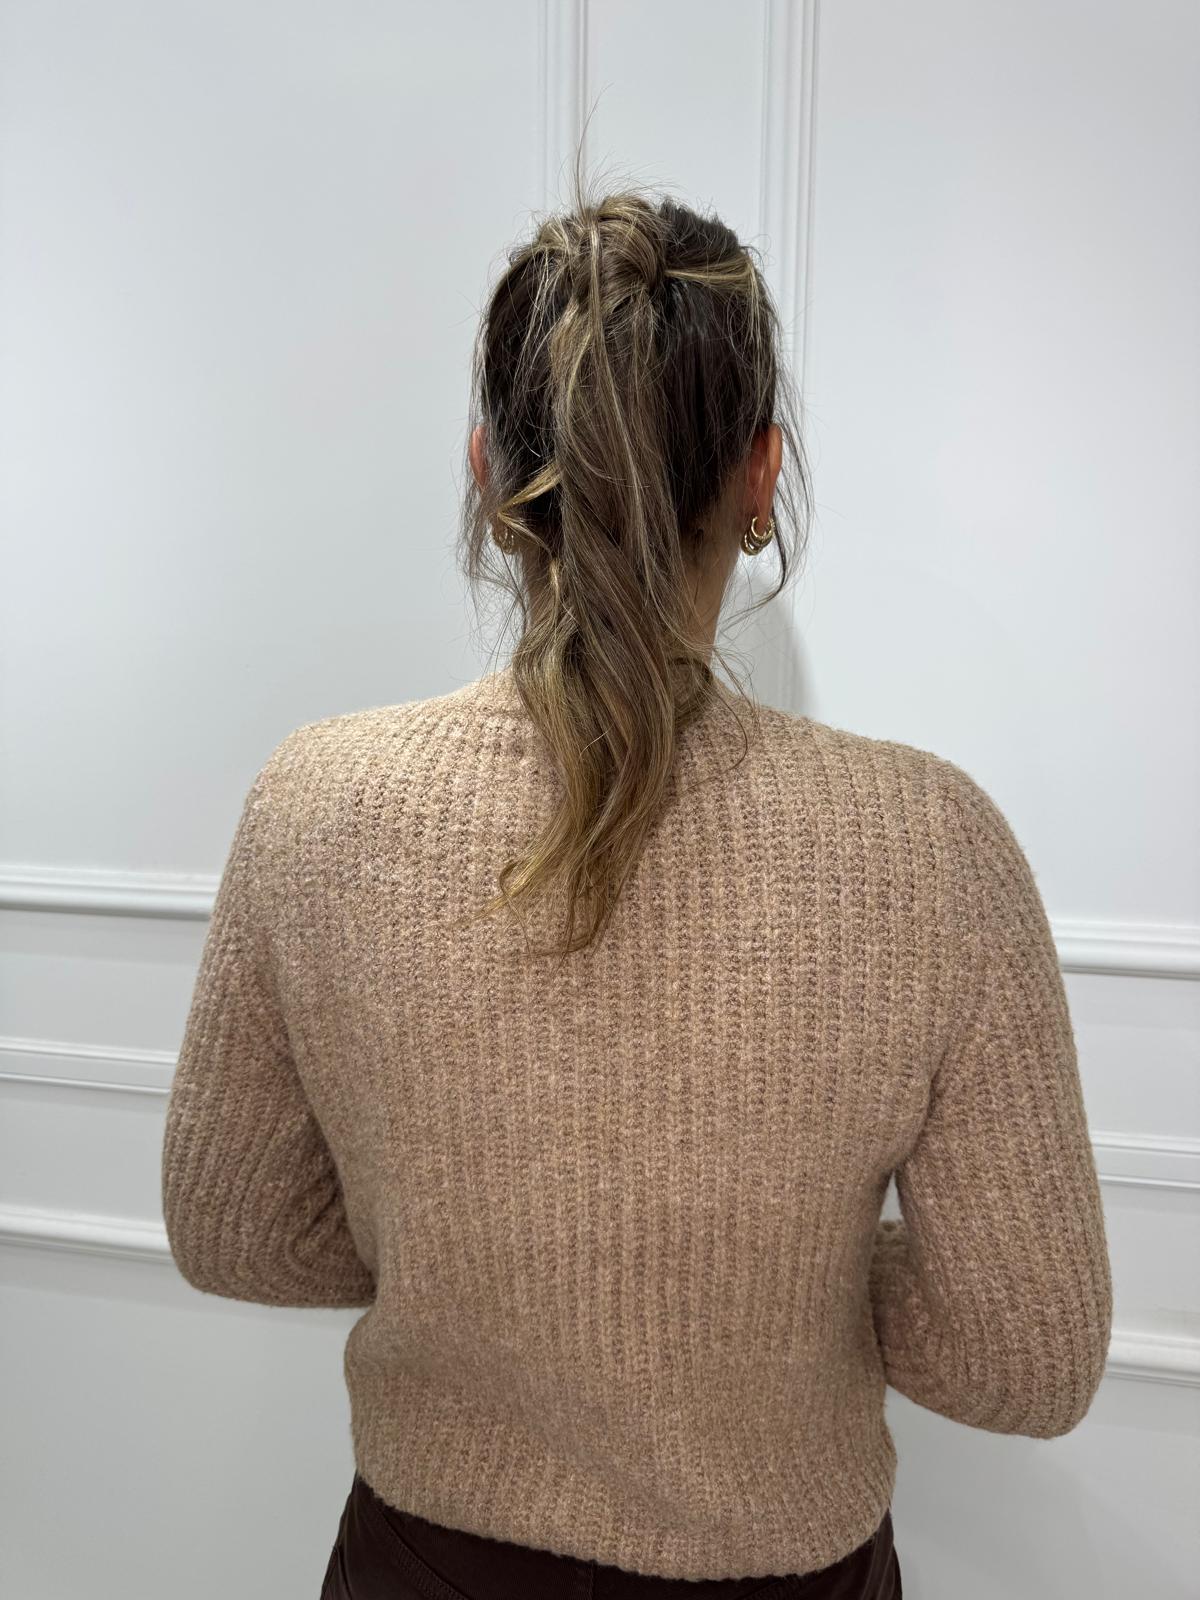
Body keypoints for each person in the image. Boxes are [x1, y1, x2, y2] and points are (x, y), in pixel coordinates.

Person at [161, 167, 1113, 1600]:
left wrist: (479, 1248)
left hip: (423, 1566)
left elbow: (238, 1230)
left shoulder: (317, 805)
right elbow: (1023, 1359)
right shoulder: (931, 846)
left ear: (488, 479)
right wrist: (775, 1275)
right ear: (761, 476)